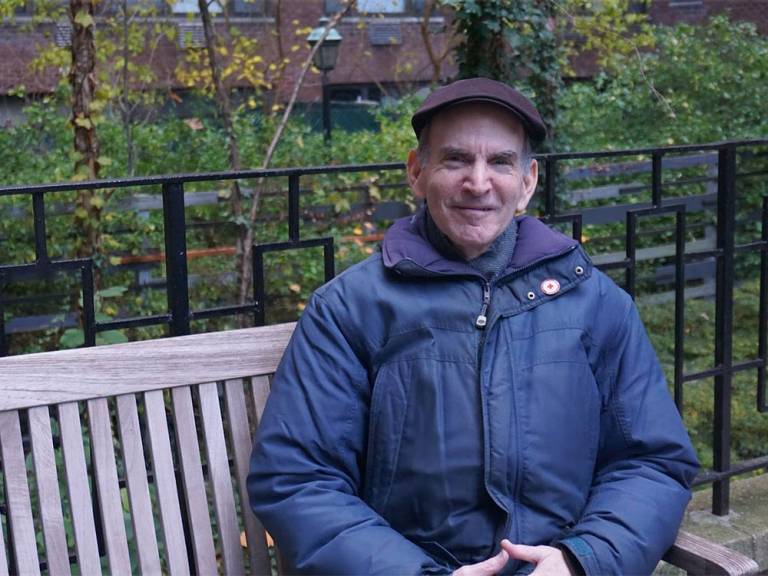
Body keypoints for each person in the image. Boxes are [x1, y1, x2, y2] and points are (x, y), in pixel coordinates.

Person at [248, 77, 699, 575]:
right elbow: (298, 479)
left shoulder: (595, 304)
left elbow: (651, 461)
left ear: (527, 182)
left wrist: (581, 560)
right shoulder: (351, 310)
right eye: (456, 159)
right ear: (418, 172)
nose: (479, 183)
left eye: (500, 162)